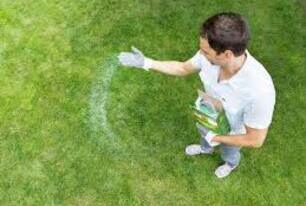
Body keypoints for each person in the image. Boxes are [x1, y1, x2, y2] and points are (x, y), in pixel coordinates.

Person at [118, 12, 276, 178]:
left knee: (228, 152)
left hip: (233, 133)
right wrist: (146, 62)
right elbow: (182, 68)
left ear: (227, 54)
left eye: (206, 51)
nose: (201, 54)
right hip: (208, 111)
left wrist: (218, 137)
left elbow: (255, 139)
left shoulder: (260, 91)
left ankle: (230, 164)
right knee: (204, 135)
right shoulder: (207, 56)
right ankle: (205, 148)